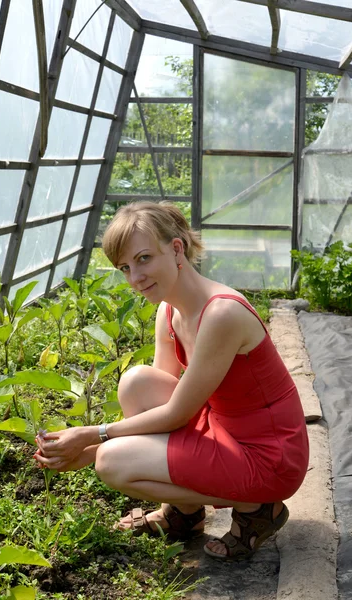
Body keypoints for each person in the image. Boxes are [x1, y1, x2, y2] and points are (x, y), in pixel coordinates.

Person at [35, 201, 309, 561]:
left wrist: (91, 442)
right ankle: (185, 513)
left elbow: (176, 414)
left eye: (144, 259)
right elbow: (162, 407)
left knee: (111, 462)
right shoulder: (169, 310)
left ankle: (259, 509)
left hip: (269, 455)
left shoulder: (222, 313)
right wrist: (86, 446)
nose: (135, 278)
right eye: (125, 268)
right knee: (136, 383)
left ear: (176, 248)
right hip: (224, 428)